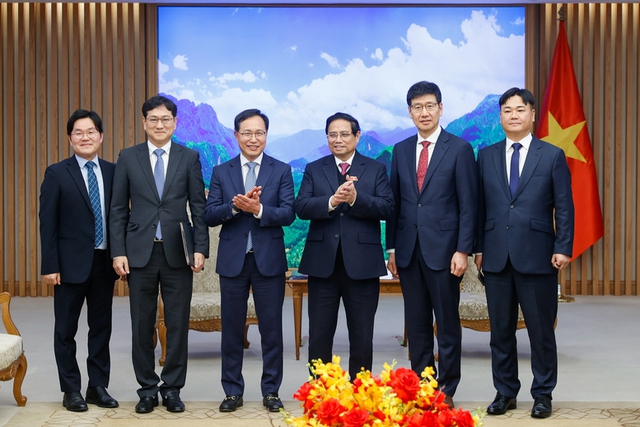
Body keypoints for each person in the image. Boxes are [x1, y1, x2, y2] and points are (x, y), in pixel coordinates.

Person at [474, 87, 574, 419]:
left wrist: (563, 247)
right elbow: (478, 207)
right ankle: (505, 392)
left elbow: (565, 206)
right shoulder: (485, 156)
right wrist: (477, 248)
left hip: (539, 256)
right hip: (496, 257)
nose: (513, 115)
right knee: (500, 332)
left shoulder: (552, 155)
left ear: (532, 115)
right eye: (507, 110)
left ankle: (542, 394)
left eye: (520, 109)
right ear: (500, 116)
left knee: (540, 331)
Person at [110, 95, 209, 414]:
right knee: (141, 323)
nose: (159, 124)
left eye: (166, 119)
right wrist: (118, 251)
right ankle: (147, 389)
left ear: (175, 123)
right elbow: (117, 210)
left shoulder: (189, 157)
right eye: (153, 119)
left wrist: (200, 247)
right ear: (144, 123)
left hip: (178, 251)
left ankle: (173, 388)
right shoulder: (128, 157)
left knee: (178, 322)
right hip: (138, 252)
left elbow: (199, 207)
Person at [385, 81, 478, 408]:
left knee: (447, 324)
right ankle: (423, 386)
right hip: (409, 251)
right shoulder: (400, 150)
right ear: (410, 112)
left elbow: (469, 204)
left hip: (446, 252)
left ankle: (446, 389)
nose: (424, 112)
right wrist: (392, 248)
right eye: (417, 107)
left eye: (429, 106)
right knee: (417, 323)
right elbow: (394, 203)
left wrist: (463, 249)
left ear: (440, 108)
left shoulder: (460, 149)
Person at [204, 109, 294, 413]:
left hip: (269, 260)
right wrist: (235, 206)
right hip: (233, 261)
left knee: (272, 329)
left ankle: (271, 391)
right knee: (231, 329)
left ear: (266, 135)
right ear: (236, 136)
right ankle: (232, 391)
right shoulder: (222, 172)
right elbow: (209, 214)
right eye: (247, 133)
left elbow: (287, 213)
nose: (253, 138)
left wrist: (257, 209)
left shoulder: (280, 170)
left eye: (259, 133)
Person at [295, 112, 394, 381]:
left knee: (362, 334)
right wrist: (331, 201)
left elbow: (387, 207)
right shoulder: (314, 168)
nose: (338, 140)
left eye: (344, 134)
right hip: (322, 263)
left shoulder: (375, 168)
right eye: (332, 135)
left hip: (362, 264)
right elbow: (301, 207)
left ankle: (361, 392)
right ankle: (319, 393)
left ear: (357, 136)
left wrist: (355, 199)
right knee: (319, 334)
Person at [39, 109, 120, 412]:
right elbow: (47, 222)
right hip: (69, 265)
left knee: (101, 328)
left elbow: (119, 218)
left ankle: (97, 386)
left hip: (104, 263)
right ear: (70, 138)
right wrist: (50, 265)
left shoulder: (114, 171)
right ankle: (71, 389)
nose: (85, 137)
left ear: (101, 136)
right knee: (65, 330)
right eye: (78, 133)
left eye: (90, 132)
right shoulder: (57, 173)